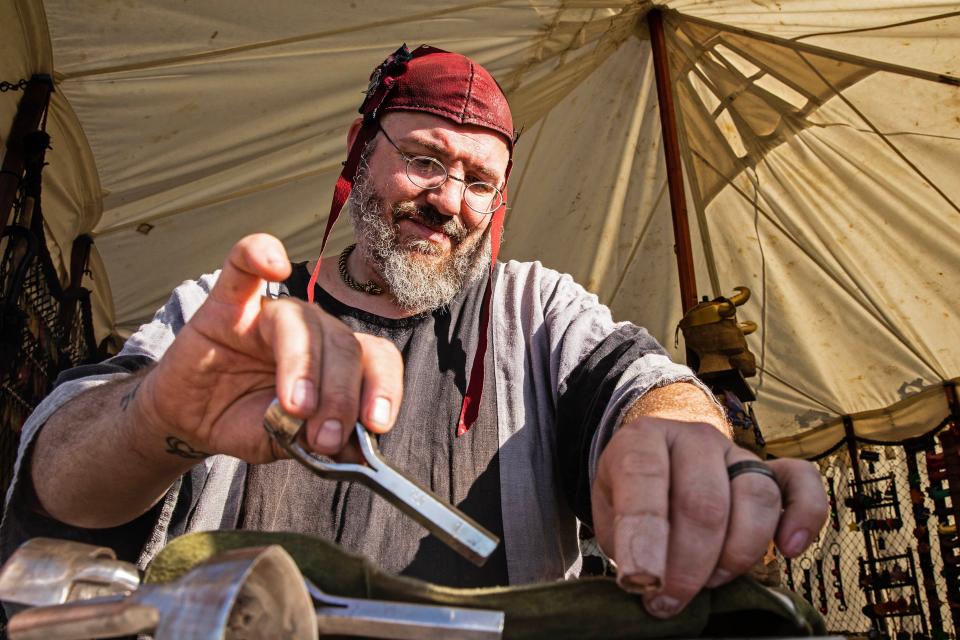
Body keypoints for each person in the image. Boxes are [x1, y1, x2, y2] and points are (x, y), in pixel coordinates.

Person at [0, 45, 826, 617]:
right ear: (361, 152)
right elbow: (52, 483)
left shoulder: (535, 313)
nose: (448, 198)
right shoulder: (232, 309)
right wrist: (151, 422)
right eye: (426, 159)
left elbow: (640, 389)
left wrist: (680, 439)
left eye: (478, 181)